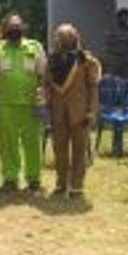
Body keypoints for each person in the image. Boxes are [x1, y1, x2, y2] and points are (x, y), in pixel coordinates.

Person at [0, 13, 47, 192]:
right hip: (5, 104)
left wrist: (42, 100)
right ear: (4, 29)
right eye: (11, 27)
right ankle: (10, 178)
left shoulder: (35, 47)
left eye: (18, 26)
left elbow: (43, 75)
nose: (15, 29)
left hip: (31, 104)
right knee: (8, 143)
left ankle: (33, 179)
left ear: (23, 28)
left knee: (32, 142)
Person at [45, 23, 101, 199]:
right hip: (58, 113)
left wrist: (91, 111)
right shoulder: (52, 60)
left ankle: (77, 186)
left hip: (80, 112)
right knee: (59, 150)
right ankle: (61, 183)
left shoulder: (86, 60)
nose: (65, 40)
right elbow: (47, 84)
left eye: (69, 36)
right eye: (61, 37)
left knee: (79, 150)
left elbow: (93, 88)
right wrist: (45, 101)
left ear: (76, 38)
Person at [103, 8, 128, 80]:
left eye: (126, 17)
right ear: (119, 18)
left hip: (125, 59)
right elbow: (108, 40)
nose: (125, 19)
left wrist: (119, 39)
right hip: (113, 59)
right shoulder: (112, 28)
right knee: (112, 80)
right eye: (123, 17)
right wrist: (123, 40)